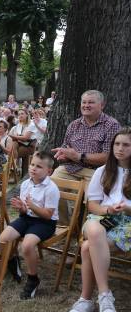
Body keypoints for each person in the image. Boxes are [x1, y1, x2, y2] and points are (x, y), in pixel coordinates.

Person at [67, 128, 131, 312]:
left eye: (126, 145)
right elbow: (93, 205)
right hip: (105, 217)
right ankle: (104, 294)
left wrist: (127, 208)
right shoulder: (102, 171)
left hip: (128, 222)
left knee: (87, 248)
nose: (120, 149)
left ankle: (86, 299)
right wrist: (108, 210)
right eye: (117, 144)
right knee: (94, 229)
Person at [51, 90, 121, 223]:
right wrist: (64, 155)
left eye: (91, 102)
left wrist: (78, 156)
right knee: (50, 187)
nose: (86, 105)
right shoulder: (74, 125)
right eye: (84, 102)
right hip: (71, 168)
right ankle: (65, 226)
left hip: (97, 172)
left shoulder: (111, 125)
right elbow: (66, 148)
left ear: (102, 105)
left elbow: (109, 157)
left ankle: (87, 231)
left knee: (92, 200)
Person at [0, 152, 60, 298]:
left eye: (39, 166)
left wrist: (31, 206)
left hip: (45, 223)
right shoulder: (26, 184)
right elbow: (25, 210)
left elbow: (48, 215)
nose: (33, 168)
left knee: (27, 246)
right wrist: (21, 207)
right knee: (3, 239)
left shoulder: (51, 188)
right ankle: (13, 261)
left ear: (49, 171)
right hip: (27, 218)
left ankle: (33, 279)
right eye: (32, 164)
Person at [8, 109, 36, 176]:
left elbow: (25, 138)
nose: (20, 115)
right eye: (19, 114)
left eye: (22, 114)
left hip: (29, 146)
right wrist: (16, 137)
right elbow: (18, 137)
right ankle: (21, 172)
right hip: (20, 144)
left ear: (27, 115)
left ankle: (14, 168)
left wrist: (13, 136)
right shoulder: (19, 124)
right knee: (14, 144)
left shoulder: (31, 124)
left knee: (12, 153)